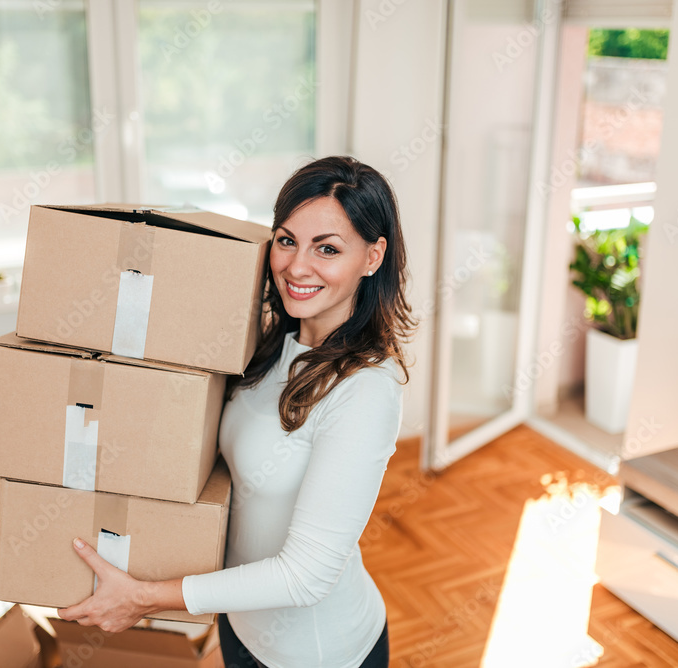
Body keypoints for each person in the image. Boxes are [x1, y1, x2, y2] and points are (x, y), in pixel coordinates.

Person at [57, 155, 416, 668]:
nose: (296, 267)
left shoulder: (365, 391)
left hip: (315, 652)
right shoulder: (272, 343)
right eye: (287, 240)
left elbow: (307, 575)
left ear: (373, 257)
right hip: (241, 625)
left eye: (328, 249)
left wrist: (146, 595)